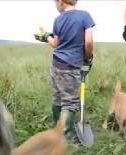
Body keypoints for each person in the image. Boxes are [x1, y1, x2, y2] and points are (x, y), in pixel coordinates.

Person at [34, 0, 95, 140]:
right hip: (70, 66)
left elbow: (55, 43)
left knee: (57, 99)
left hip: (56, 64)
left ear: (60, 2)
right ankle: (66, 137)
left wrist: (45, 37)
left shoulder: (58, 19)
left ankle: (58, 129)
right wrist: (88, 57)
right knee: (70, 103)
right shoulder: (85, 16)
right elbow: (89, 41)